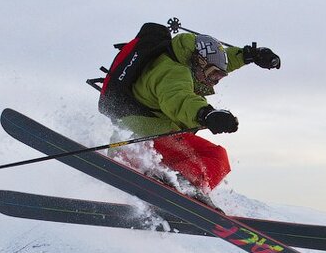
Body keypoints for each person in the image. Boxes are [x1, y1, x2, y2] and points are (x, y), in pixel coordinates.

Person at [111, 31, 280, 206]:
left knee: (209, 158)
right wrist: (205, 113)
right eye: (213, 74)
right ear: (199, 62)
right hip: (143, 139)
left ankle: (177, 183)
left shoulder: (186, 60)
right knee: (215, 157)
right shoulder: (172, 72)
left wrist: (248, 55)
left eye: (219, 76)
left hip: (147, 138)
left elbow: (219, 61)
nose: (214, 81)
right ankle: (184, 188)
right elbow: (179, 100)